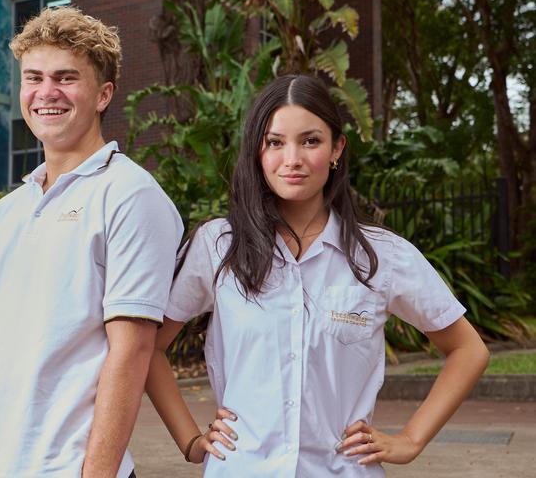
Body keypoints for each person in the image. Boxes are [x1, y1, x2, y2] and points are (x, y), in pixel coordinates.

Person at [144, 74, 490, 477]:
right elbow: (147, 347)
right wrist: (189, 440)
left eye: (310, 141)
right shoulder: (219, 245)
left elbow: (469, 350)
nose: (292, 159)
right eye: (275, 142)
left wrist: (410, 440)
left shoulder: (380, 256)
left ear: (336, 148)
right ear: (257, 150)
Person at [0, 7, 182, 478]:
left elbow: (131, 352)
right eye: (34, 78)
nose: (46, 93)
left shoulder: (131, 195)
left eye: (66, 78)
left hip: (59, 468)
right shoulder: (9, 210)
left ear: (103, 94)